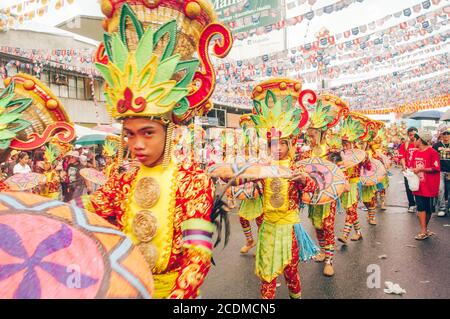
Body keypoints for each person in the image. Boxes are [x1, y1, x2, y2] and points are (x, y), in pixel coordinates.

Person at [72, 0, 232, 299]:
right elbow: (82, 214)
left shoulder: (193, 182)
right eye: (130, 135)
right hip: (124, 288)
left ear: (168, 129)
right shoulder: (122, 180)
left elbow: (197, 257)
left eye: (147, 133)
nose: (137, 145)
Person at [302, 93, 349, 277]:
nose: (310, 138)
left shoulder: (332, 152)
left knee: (327, 225)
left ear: (322, 133)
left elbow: (340, 171)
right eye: (309, 135)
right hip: (314, 194)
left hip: (328, 194)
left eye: (313, 135)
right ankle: (323, 251)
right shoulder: (308, 153)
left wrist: (344, 182)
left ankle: (330, 259)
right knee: (316, 224)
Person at [411, 129, 440, 240]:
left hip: (429, 185)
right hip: (417, 185)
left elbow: (436, 168)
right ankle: (423, 231)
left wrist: (421, 169)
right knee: (420, 206)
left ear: (420, 140)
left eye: (415, 138)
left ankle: (425, 229)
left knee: (428, 209)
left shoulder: (433, 152)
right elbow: (413, 167)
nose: (414, 140)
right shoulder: (416, 152)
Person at [399, 127, 419, 212]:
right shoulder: (405, 145)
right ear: (408, 135)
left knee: (419, 187)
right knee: (409, 187)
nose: (413, 136)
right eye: (411, 135)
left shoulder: (421, 144)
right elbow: (402, 157)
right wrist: (404, 167)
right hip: (408, 170)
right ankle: (411, 204)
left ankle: (420, 204)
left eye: (414, 134)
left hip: (419, 170)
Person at [433, 126, 450, 217]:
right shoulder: (436, 145)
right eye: (444, 134)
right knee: (440, 190)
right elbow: (432, 157)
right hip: (440, 171)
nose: (446, 135)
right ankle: (442, 208)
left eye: (448, 134)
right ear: (441, 135)